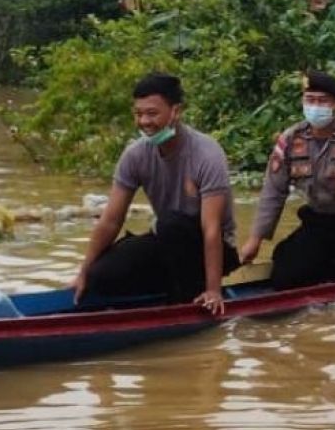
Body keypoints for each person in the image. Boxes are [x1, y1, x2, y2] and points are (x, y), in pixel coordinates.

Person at [71, 72, 239, 315]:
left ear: (175, 112)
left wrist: (214, 289)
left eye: (152, 113)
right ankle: (170, 287)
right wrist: (84, 272)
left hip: (216, 249)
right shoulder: (135, 154)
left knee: (170, 223)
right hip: (167, 241)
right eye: (138, 114)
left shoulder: (207, 153)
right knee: (102, 276)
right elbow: (111, 220)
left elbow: (211, 228)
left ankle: (186, 301)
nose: (144, 121)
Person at [239, 70, 335, 289]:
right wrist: (255, 239)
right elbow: (273, 190)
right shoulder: (290, 139)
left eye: (322, 101)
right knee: (285, 271)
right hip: (318, 221)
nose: (315, 106)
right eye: (310, 100)